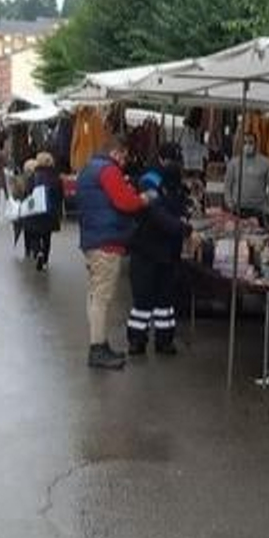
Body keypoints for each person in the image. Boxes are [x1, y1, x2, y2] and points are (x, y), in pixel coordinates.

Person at [77, 134, 151, 370]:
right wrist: (143, 199)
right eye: (124, 156)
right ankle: (97, 349)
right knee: (102, 297)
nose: (124, 161)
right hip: (106, 241)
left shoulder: (89, 168)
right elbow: (125, 202)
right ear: (116, 152)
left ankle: (100, 344)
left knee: (95, 295)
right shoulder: (108, 170)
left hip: (93, 239)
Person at [128, 143, 191, 355]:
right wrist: (183, 227)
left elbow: (177, 212)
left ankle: (159, 340)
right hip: (149, 249)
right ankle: (141, 340)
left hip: (161, 252)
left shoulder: (173, 187)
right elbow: (156, 214)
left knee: (162, 300)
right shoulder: (150, 182)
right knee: (147, 299)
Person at [24, 151, 64, 272]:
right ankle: (45, 260)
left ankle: (38, 251)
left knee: (35, 233)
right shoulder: (56, 177)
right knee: (47, 236)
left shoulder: (33, 176)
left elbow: (28, 193)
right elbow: (60, 196)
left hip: (36, 209)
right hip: (50, 210)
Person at [224, 133, 269, 218]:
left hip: (259, 209)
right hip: (238, 208)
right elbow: (227, 185)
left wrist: (268, 204)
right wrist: (229, 203)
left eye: (251, 142)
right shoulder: (233, 163)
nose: (247, 145)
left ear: (256, 144)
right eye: (245, 142)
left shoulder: (266, 163)